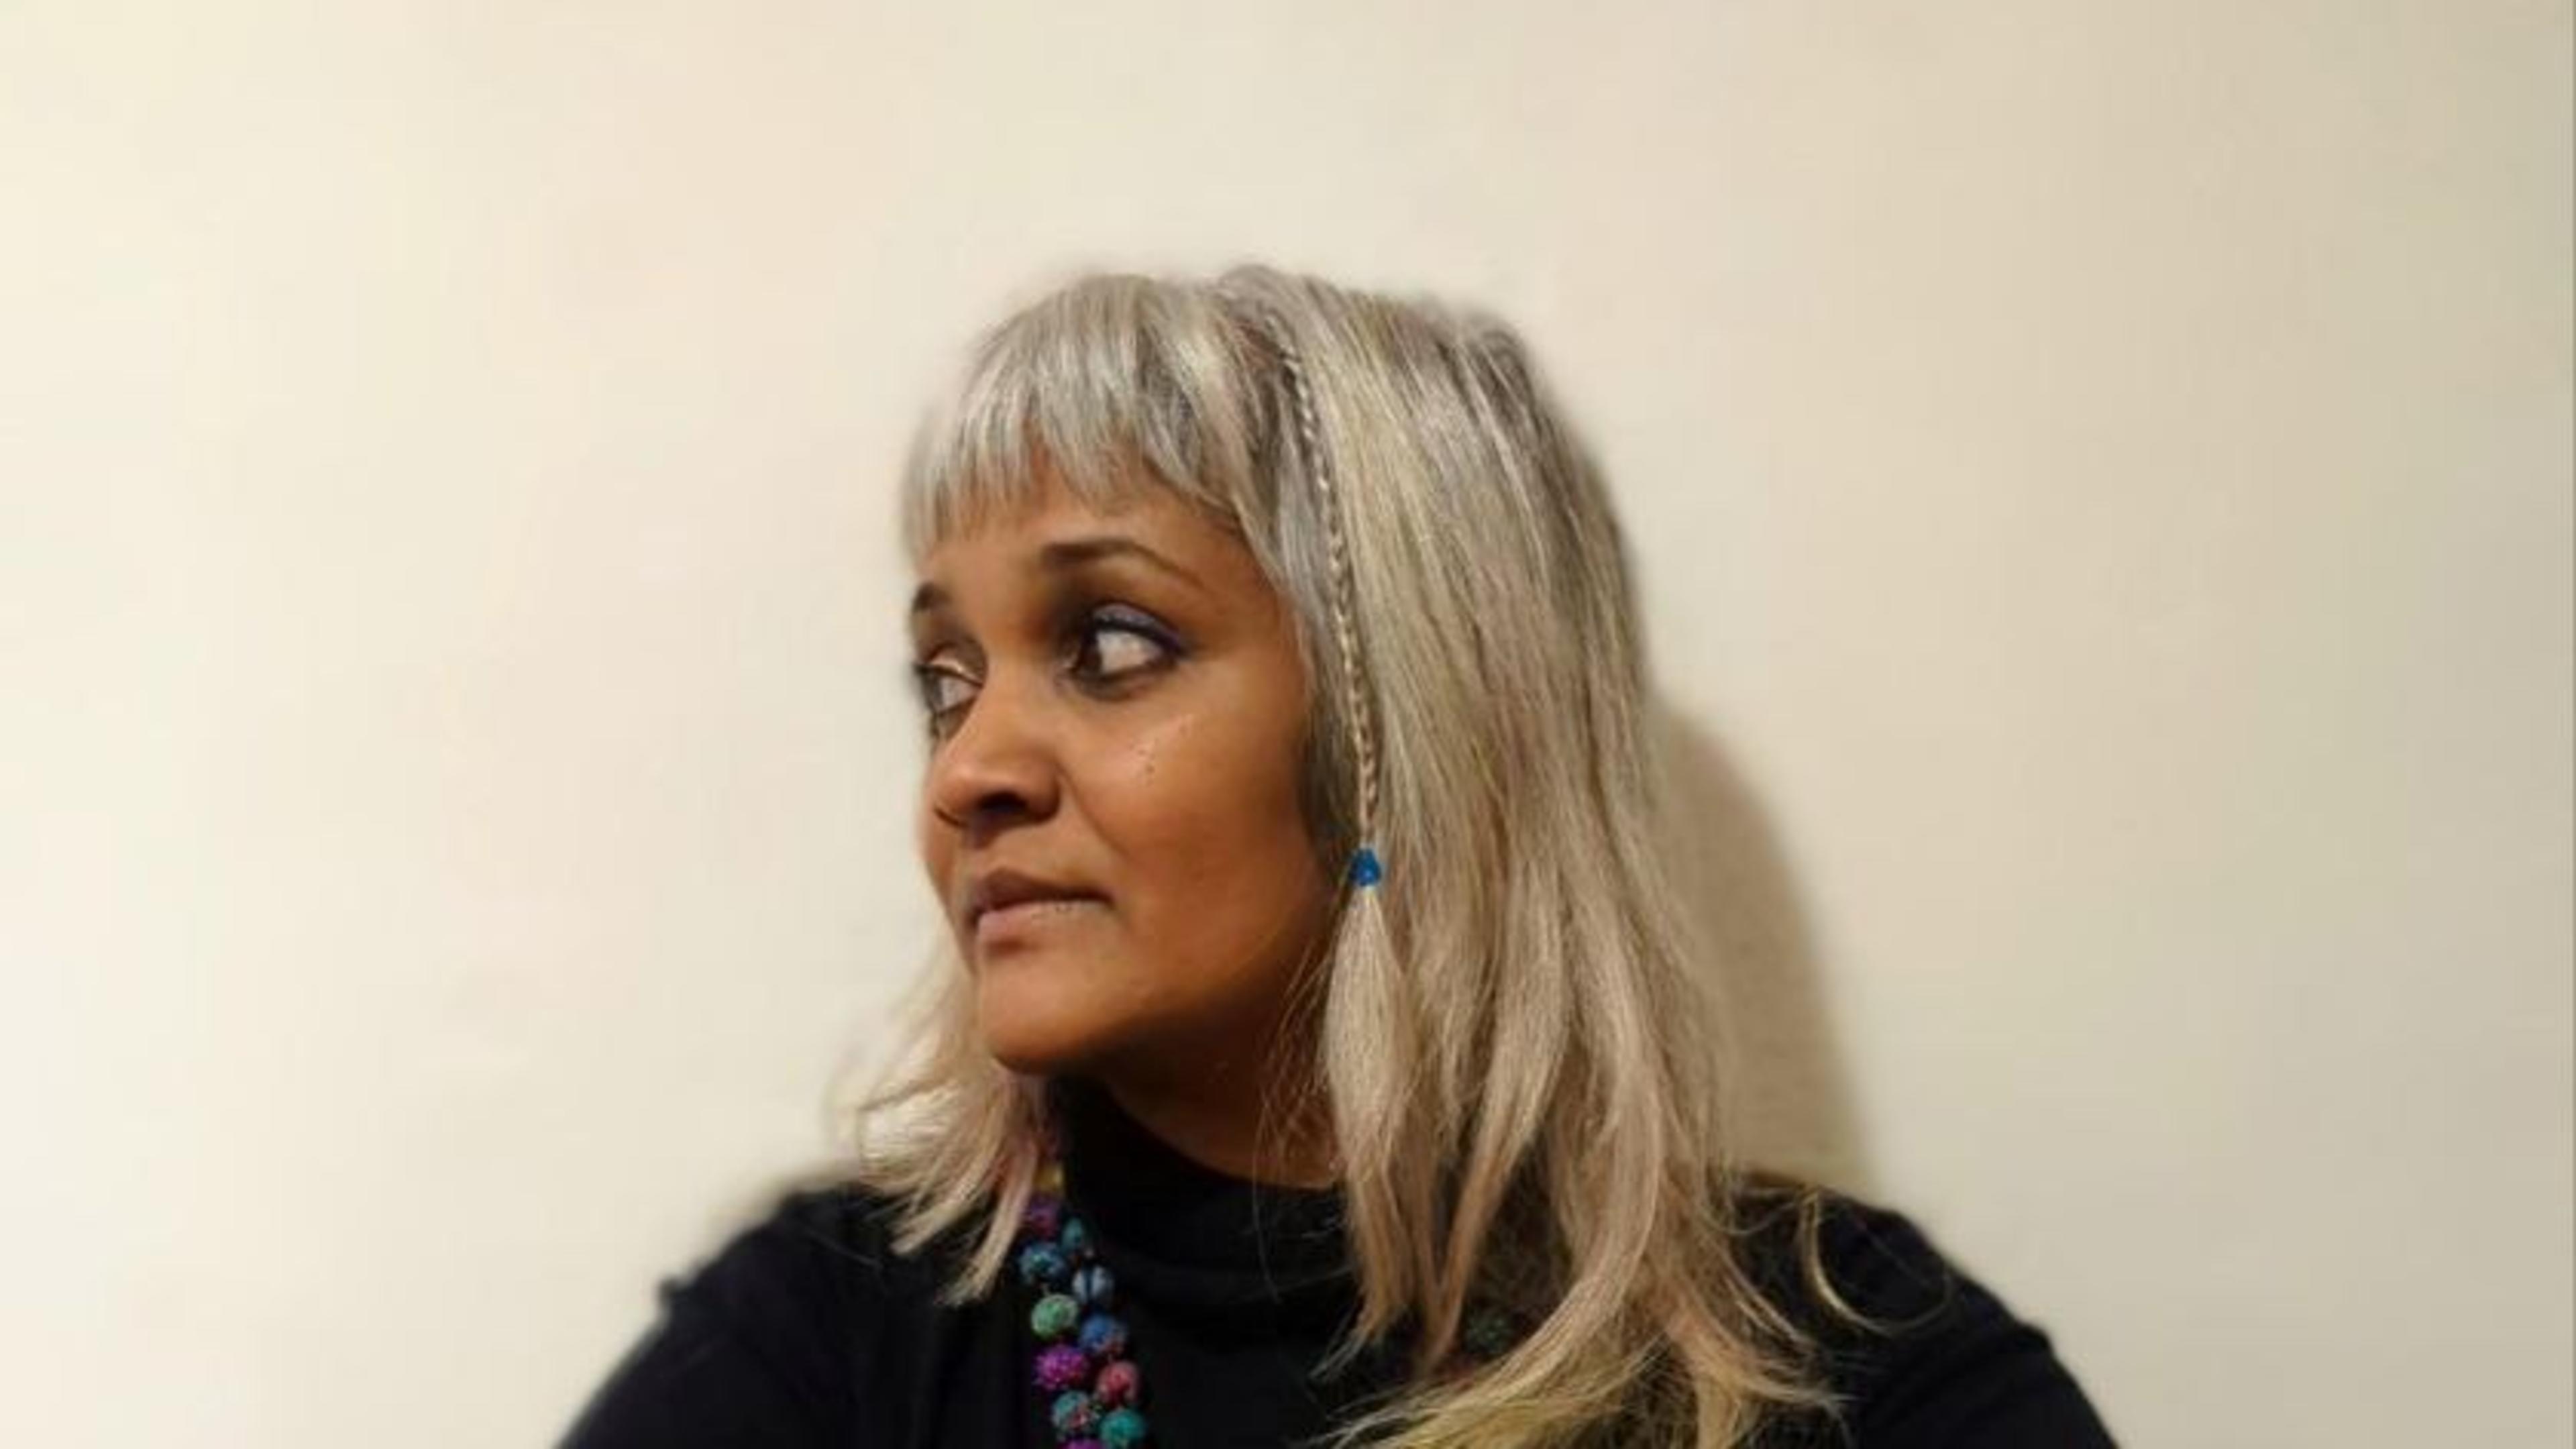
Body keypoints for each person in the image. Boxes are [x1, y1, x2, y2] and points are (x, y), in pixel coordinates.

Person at [563, 265, 2115, 1447]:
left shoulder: (1851, 1369)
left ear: (1413, 731)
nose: (969, 772)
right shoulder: (826, 1342)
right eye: (945, 681)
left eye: (1111, 642)